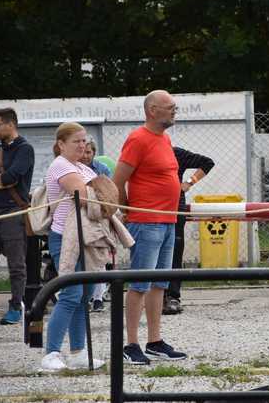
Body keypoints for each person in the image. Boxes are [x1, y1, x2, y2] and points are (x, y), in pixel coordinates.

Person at [113, 89, 187, 364]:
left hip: (167, 221)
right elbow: (117, 180)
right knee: (139, 284)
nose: (174, 110)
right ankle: (130, 343)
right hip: (147, 222)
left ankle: (154, 340)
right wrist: (129, 210)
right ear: (152, 110)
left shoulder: (165, 139)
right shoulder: (137, 139)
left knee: (159, 284)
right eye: (170, 107)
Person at [40, 122, 105, 371]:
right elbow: (86, 194)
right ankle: (51, 353)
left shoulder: (81, 167)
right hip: (65, 237)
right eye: (76, 141)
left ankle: (78, 352)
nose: (83, 145)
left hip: (86, 237)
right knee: (71, 294)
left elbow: (108, 195)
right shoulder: (60, 165)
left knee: (85, 295)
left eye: (84, 140)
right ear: (61, 144)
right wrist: (101, 192)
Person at [0, 108, 34, 324]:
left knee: (16, 265)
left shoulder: (25, 149)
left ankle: (15, 307)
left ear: (10, 125)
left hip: (14, 210)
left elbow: (12, 178)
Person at [163, 146, 214, 315]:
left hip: (176, 209)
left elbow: (207, 163)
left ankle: (173, 296)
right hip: (152, 210)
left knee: (175, 252)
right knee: (154, 254)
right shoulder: (143, 151)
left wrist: (189, 182)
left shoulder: (175, 153)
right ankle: (154, 296)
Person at [79, 137, 112, 313]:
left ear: (94, 153)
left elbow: (111, 193)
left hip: (99, 216)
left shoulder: (102, 169)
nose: (85, 155)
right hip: (80, 217)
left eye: (89, 152)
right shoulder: (73, 169)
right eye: (83, 151)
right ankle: (85, 296)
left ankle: (98, 297)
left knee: (99, 258)